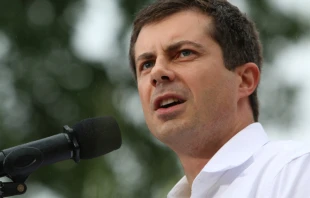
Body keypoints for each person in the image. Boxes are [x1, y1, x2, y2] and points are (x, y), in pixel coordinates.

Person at [129, 0, 310, 197]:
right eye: (146, 64)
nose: (157, 72)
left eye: (184, 53)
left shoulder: (296, 174)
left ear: (244, 80)